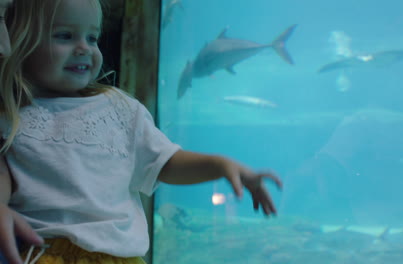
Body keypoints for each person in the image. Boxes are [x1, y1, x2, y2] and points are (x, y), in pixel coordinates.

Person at [0, 0, 282, 264]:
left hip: (123, 258)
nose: (84, 48)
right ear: (20, 41)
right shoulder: (11, 115)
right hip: (45, 254)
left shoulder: (120, 109)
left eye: (93, 37)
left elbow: (165, 163)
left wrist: (222, 165)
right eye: (64, 35)